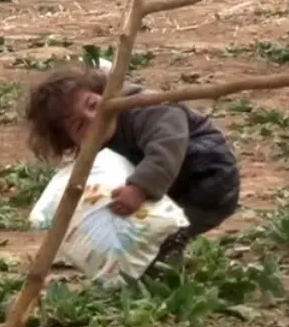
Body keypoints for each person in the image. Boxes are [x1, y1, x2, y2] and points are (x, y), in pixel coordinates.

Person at [23, 66, 241, 271]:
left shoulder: (146, 108)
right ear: (72, 142)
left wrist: (139, 188)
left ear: (103, 92)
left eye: (92, 105)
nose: (94, 118)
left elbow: (166, 147)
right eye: (80, 125)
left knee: (166, 236)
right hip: (171, 186)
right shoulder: (94, 147)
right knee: (146, 231)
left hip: (207, 178)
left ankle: (166, 274)